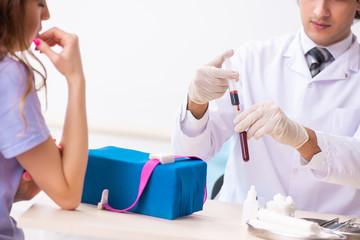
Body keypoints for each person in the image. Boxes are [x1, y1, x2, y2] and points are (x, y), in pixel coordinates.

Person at [172, 0, 360, 217]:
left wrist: (303, 139)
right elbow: (189, 156)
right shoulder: (251, 59)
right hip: (239, 223)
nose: (320, 11)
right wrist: (196, 103)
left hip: (327, 228)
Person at [0, 0, 88, 238]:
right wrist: (75, 78)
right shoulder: (9, 78)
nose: (46, 14)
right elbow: (68, 194)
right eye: (39, 3)